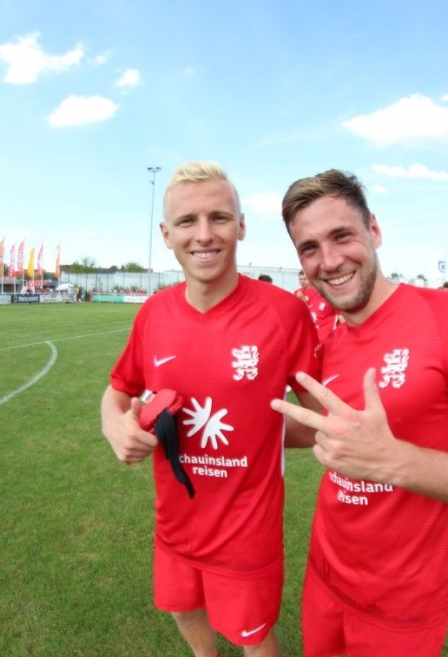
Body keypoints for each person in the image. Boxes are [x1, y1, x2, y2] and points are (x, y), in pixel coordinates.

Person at [272, 168, 448, 657]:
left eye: (342, 236)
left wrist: (389, 460)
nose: (330, 261)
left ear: (374, 229)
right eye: (309, 248)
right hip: (324, 578)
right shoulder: (323, 335)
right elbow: (318, 432)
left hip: (404, 603)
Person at [100, 160, 322, 657]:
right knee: (184, 612)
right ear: (167, 234)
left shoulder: (284, 314)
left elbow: (322, 420)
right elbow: (117, 391)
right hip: (174, 523)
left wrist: (260, 429)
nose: (204, 235)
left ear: (241, 225)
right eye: (187, 221)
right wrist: (114, 425)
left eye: (219, 218)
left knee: (253, 638)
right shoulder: (153, 314)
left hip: (247, 533)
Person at [295, 269, 339, 343]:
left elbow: (311, 312)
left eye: (305, 279)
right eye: (300, 279)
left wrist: (303, 299)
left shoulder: (316, 293)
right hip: (308, 329)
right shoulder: (297, 292)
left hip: (323, 332)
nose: (302, 281)